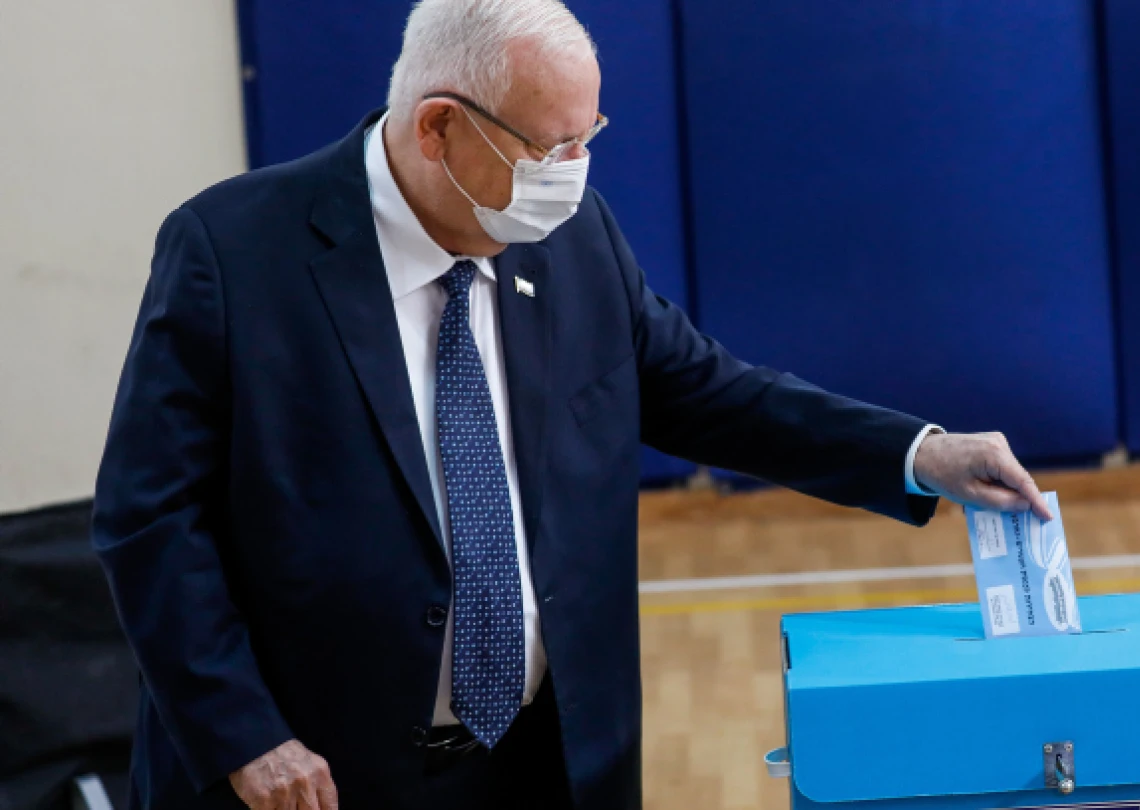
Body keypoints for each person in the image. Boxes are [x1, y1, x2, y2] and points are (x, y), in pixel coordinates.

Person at [91, 1, 1052, 808]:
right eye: (548, 145)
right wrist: (244, 735)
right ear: (438, 128)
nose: (572, 172)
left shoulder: (571, 232)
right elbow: (150, 517)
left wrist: (918, 453)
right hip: (314, 774)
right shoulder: (235, 251)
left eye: (587, 138)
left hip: (548, 763)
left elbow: (704, 392)